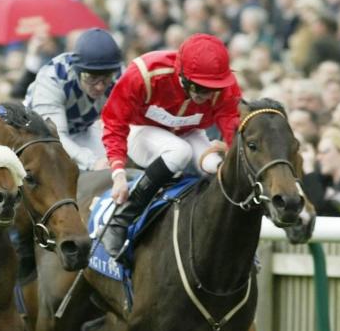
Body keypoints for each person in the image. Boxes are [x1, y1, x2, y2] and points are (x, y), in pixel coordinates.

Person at [99, 33, 243, 258]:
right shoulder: (144, 74)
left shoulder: (223, 86)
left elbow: (231, 124)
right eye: (201, 88)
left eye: (212, 89)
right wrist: (117, 172)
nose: (207, 95)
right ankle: (120, 219)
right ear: (182, 75)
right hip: (141, 132)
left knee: (217, 165)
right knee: (180, 152)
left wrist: (231, 149)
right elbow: (114, 122)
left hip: (189, 132)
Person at [25, 28, 124, 172]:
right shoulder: (53, 78)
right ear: (76, 71)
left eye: (106, 78)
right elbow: (56, 137)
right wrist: (92, 162)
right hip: (39, 136)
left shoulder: (119, 75)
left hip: (82, 128)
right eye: (91, 78)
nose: (99, 87)